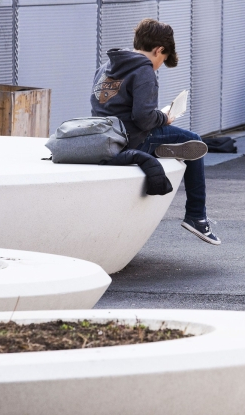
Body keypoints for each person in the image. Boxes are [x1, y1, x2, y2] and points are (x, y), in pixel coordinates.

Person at [90, 18, 221, 245]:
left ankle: (161, 149)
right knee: (196, 144)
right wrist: (165, 117)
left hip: (106, 137)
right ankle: (196, 216)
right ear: (159, 49)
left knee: (177, 140)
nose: (159, 65)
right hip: (134, 138)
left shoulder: (105, 67)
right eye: (163, 59)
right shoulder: (144, 70)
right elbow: (143, 118)